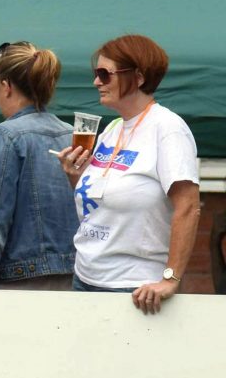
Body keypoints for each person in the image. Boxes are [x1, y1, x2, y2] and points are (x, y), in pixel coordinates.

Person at [57, 34, 200, 314]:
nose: (96, 82)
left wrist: (170, 279)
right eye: (96, 73)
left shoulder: (168, 128)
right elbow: (98, 202)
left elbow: (189, 206)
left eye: (104, 74)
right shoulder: (112, 130)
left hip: (133, 287)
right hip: (85, 278)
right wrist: (75, 175)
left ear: (138, 77)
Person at [0, 41, 78, 289]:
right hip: (73, 278)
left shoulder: (6, 136)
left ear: (6, 85)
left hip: (17, 285)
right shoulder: (72, 135)